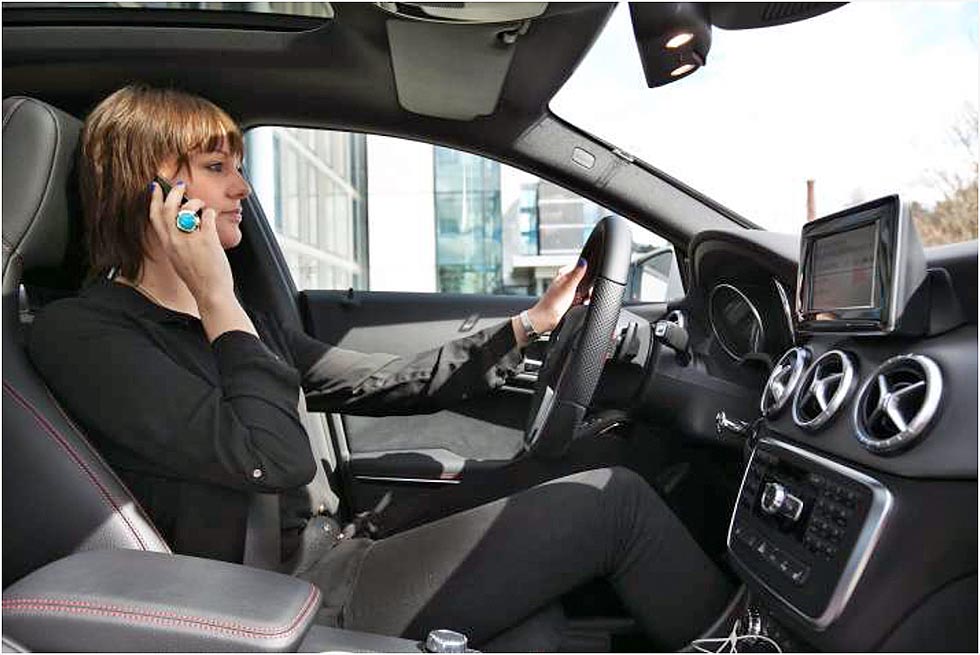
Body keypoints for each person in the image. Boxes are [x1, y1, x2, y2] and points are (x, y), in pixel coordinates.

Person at [28, 84, 733, 650]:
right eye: (217, 169)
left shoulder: (239, 319)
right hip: (277, 599)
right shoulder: (87, 335)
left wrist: (529, 326)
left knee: (552, 574)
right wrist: (217, 297)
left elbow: (377, 379)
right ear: (152, 193)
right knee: (614, 503)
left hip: (334, 548)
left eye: (239, 166)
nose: (242, 187)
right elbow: (270, 458)